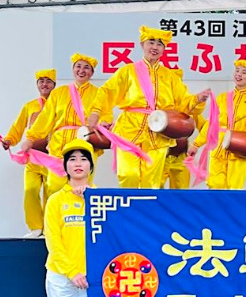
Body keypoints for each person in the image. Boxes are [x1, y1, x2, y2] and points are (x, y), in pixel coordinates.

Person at [87, 27, 207, 189]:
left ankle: (145, 213)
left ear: (164, 49)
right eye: (151, 42)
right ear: (142, 44)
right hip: (129, 130)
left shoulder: (170, 76)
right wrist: (96, 112)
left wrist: (197, 100)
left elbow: (183, 104)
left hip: (158, 134)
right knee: (129, 175)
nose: (155, 47)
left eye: (160, 44)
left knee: (151, 183)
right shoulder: (128, 71)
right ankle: (129, 211)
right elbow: (107, 92)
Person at [44, 138, 95, 297]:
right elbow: (53, 241)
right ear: (65, 166)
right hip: (62, 276)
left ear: (91, 166)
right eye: (72, 159)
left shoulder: (99, 200)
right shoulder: (55, 201)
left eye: (83, 159)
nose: (78, 164)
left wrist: (89, 200)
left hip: (92, 278)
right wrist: (71, 271)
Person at [26, 54, 108, 195]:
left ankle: (80, 217)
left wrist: (104, 123)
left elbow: (106, 114)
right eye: (78, 66)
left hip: (84, 144)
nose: (82, 70)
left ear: (92, 73)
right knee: (53, 186)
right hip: (59, 145)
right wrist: (31, 138)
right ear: (73, 69)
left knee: (82, 188)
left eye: (86, 67)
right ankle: (57, 216)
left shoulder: (99, 93)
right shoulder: (58, 93)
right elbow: (45, 118)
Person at [189, 60, 246, 190]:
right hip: (218, 146)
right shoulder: (222, 98)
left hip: (240, 148)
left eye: (244, 72)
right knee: (214, 185)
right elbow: (211, 124)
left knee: (235, 187)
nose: (239, 74)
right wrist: (196, 144)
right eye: (237, 71)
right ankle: (214, 211)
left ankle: (232, 211)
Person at [1, 69, 57, 237]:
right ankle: (35, 227)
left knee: (51, 193)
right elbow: (18, 127)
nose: (44, 84)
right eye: (41, 81)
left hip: (52, 157)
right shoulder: (30, 106)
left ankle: (49, 228)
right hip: (32, 157)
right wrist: (9, 140)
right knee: (30, 191)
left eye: (48, 81)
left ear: (54, 85)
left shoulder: (60, 103)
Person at [161, 67, 206, 189]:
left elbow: (205, 127)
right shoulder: (156, 106)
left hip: (181, 157)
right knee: (154, 193)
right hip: (159, 157)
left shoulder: (189, 108)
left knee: (180, 194)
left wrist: (196, 144)